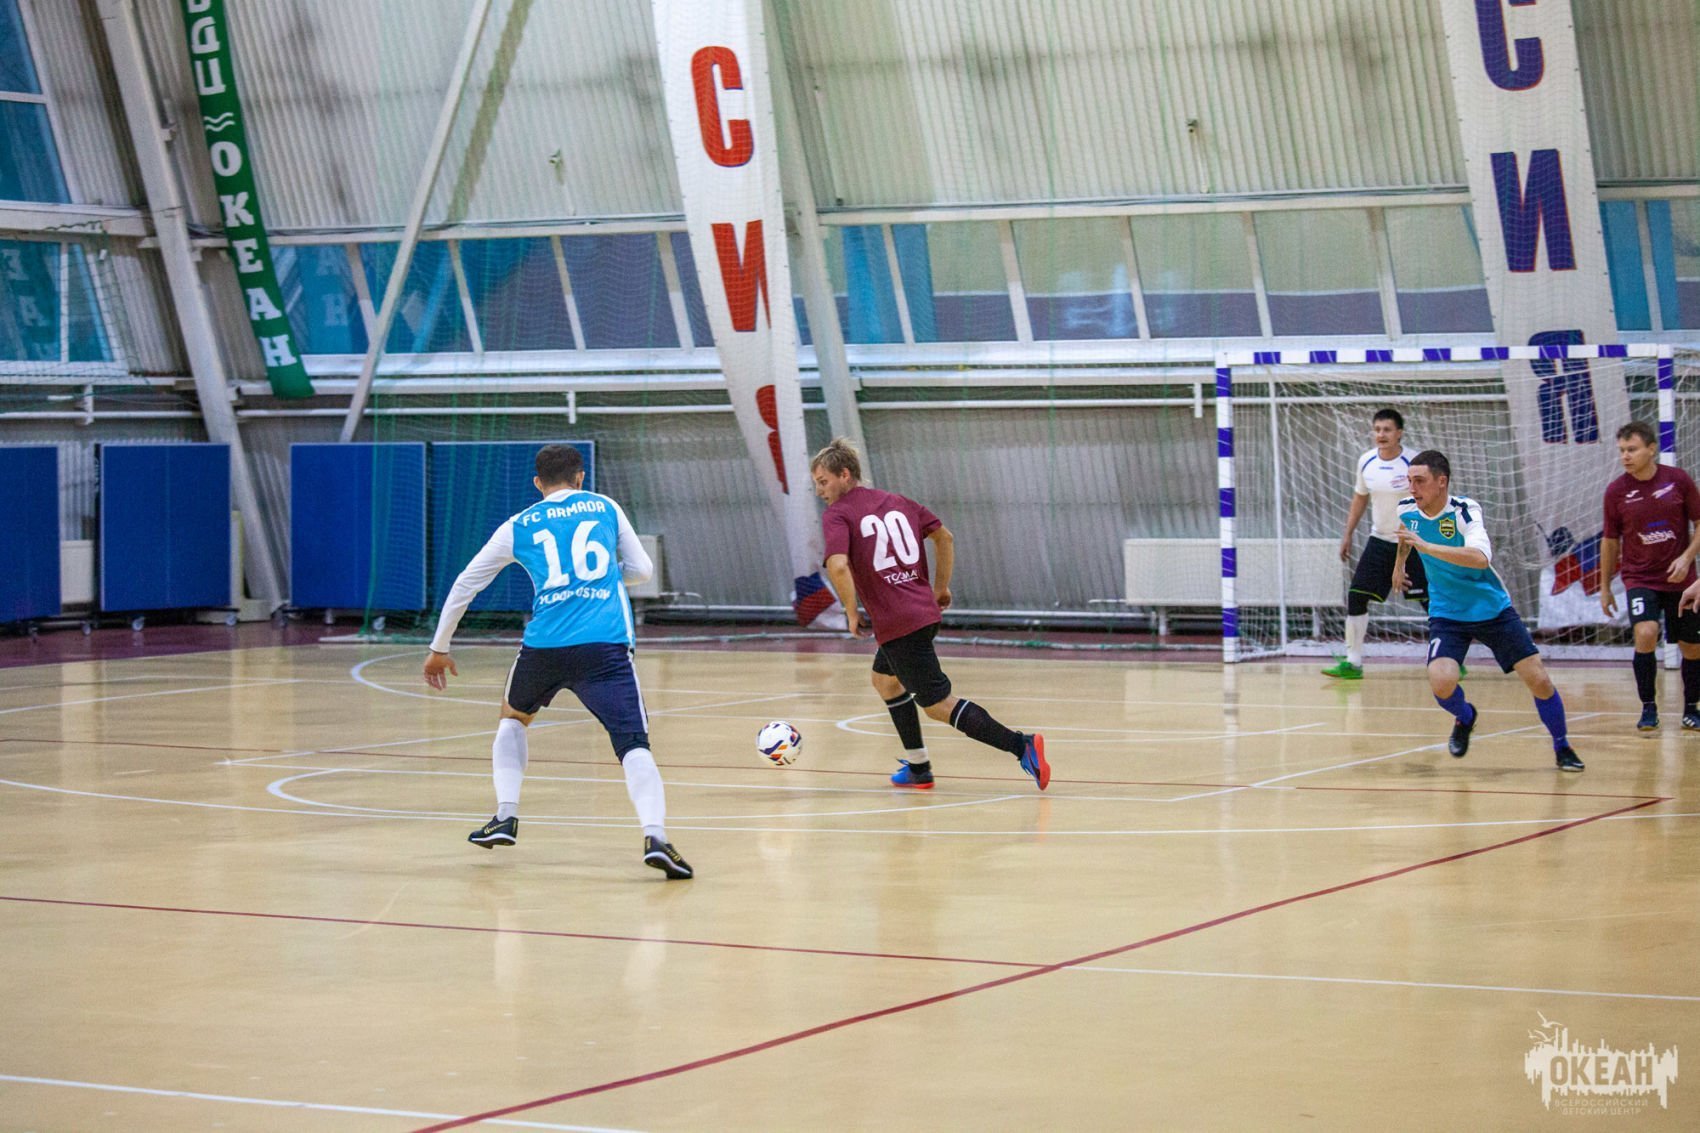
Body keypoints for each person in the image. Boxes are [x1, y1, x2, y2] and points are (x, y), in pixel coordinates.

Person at [422, 444, 692, 879]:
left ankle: (505, 816)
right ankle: (656, 837)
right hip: (604, 645)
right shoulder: (604, 506)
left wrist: (439, 647)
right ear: (580, 477)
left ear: (537, 483)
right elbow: (642, 570)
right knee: (632, 744)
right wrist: (605, 577)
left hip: (544, 645)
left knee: (513, 718)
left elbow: (466, 583)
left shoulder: (518, 524)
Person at [810, 438, 1049, 790]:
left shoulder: (839, 514)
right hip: (922, 613)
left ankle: (1021, 745)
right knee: (885, 681)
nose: (819, 491)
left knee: (937, 705)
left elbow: (839, 565)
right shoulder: (898, 501)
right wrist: (940, 588)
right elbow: (945, 538)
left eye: (823, 482)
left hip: (898, 623)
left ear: (845, 475)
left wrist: (850, 611)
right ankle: (919, 767)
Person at [1393, 449, 1583, 772]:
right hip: (1447, 612)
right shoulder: (1407, 508)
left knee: (1538, 679)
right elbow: (1405, 534)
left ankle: (1562, 746)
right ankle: (1465, 717)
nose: (1412, 488)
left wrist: (1426, 547)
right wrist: (1399, 565)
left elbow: (1481, 559)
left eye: (1420, 481)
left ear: (1441, 482)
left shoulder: (1465, 511)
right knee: (1441, 681)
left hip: (1490, 608)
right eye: (1410, 481)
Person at [1599, 421, 1700, 732]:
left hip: (1682, 580)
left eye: (1632, 449)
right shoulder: (1616, 491)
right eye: (1621, 451)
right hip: (1639, 577)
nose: (1625, 456)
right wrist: (1605, 587)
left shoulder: (1678, 480)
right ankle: (1648, 707)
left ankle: (1691, 709)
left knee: (1691, 646)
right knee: (1646, 632)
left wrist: (1687, 557)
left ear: (1651, 449)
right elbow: (1610, 541)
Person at [1323, 408, 1428, 679]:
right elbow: (1360, 498)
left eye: (1387, 430)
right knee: (1356, 595)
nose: (1381, 434)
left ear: (1399, 433)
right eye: (1377, 429)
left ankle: (1450, 657)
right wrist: (1347, 534)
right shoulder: (1366, 461)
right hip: (1379, 540)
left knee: (1433, 601)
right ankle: (1353, 662)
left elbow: (1428, 502)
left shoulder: (1414, 462)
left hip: (1413, 542)